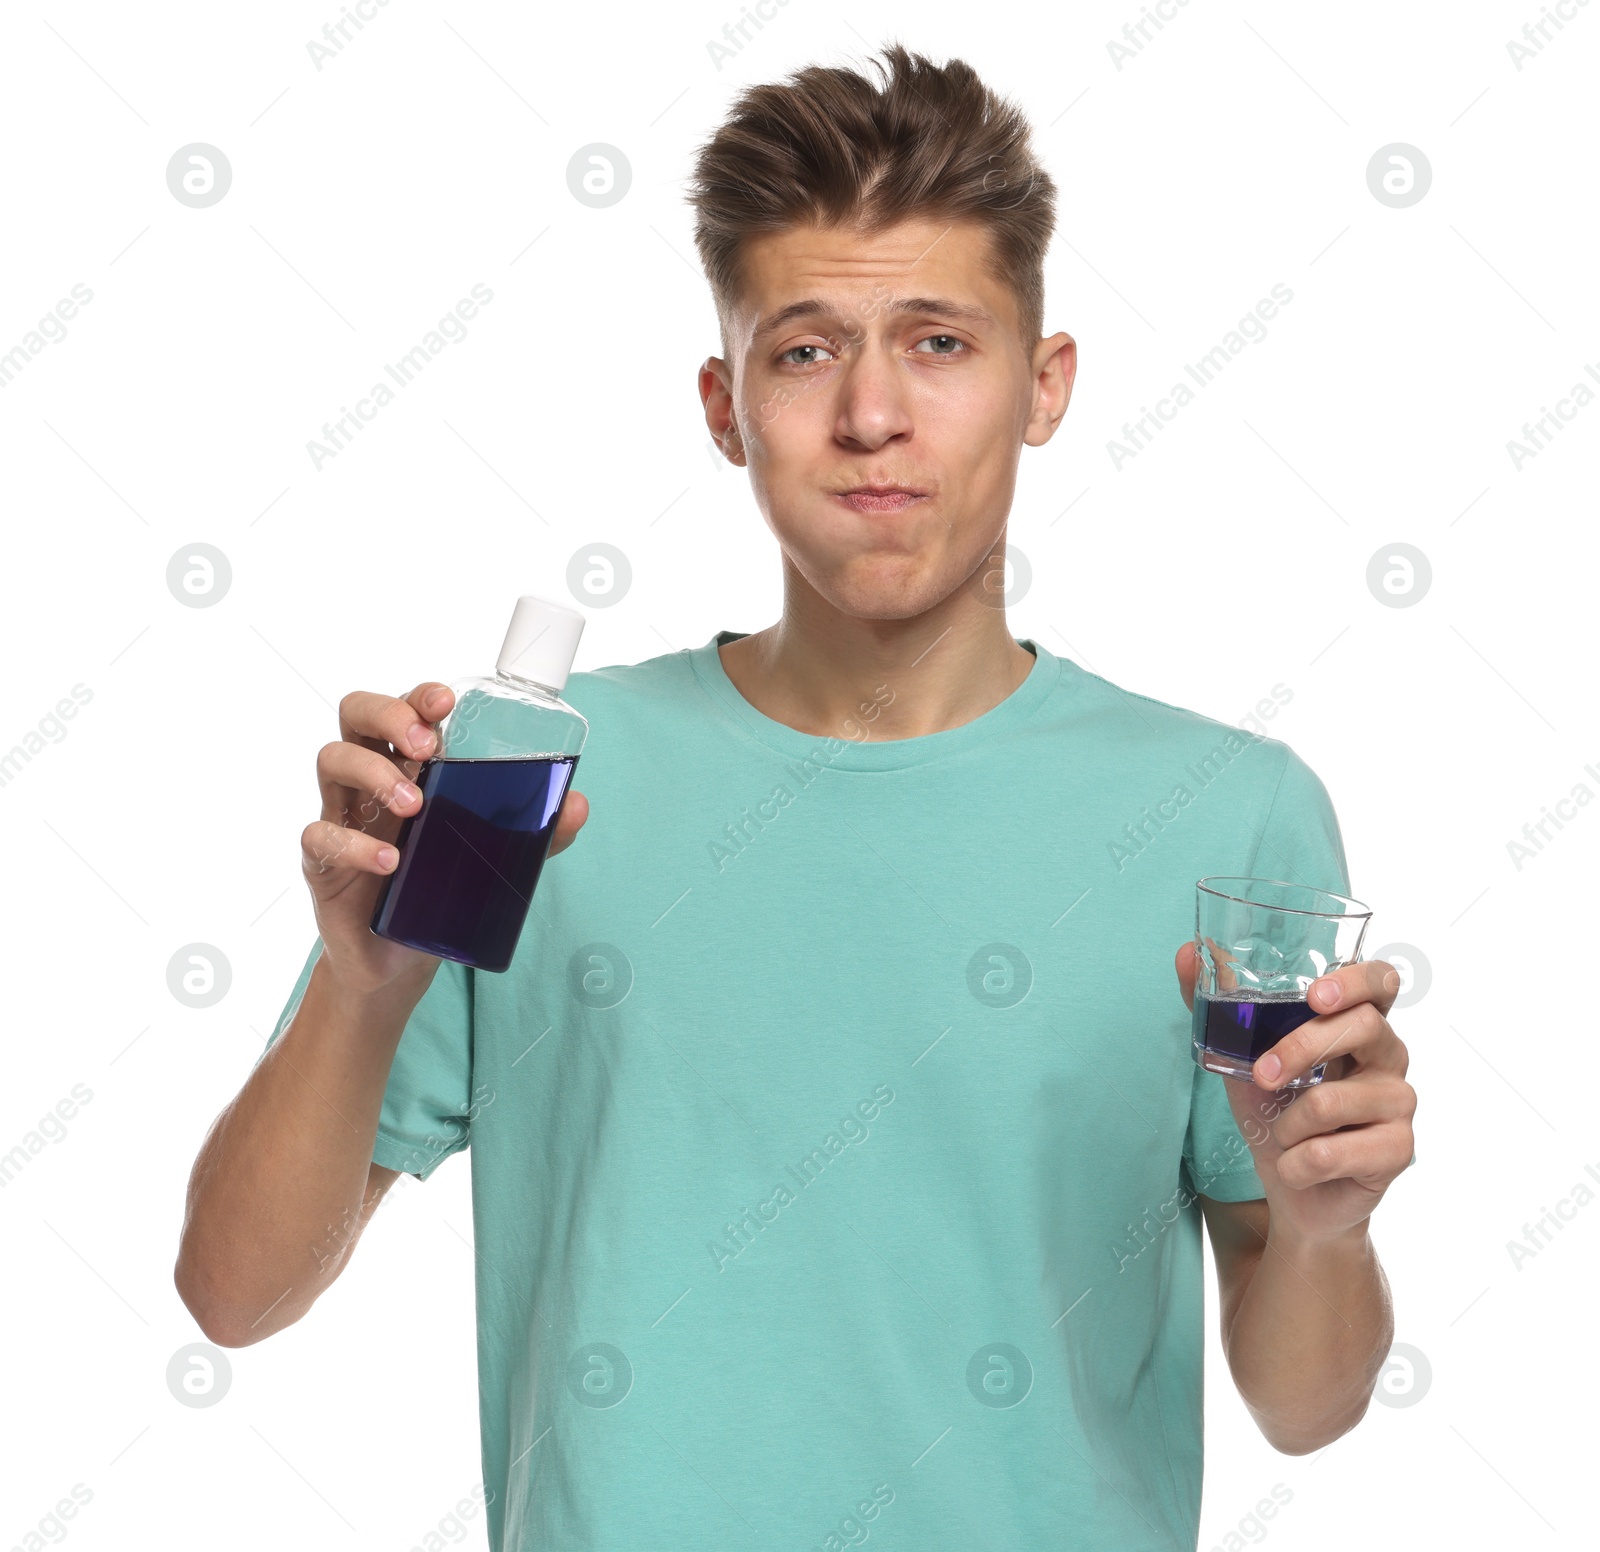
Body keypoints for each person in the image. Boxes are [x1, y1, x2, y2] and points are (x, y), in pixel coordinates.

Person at [175, 42, 1417, 1551]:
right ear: (725, 402)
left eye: (941, 343)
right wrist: (365, 988)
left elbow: (1307, 1406)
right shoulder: (524, 797)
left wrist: (1322, 1226)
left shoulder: (1226, 813)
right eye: (807, 348)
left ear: (1046, 385)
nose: (874, 415)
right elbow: (234, 1296)